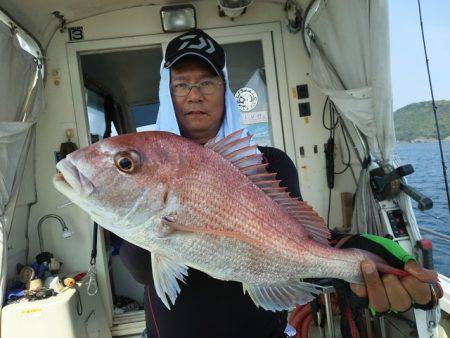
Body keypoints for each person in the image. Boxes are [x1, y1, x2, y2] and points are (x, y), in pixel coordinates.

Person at [120, 29, 438, 338]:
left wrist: (353, 258)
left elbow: (295, 245)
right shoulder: (142, 174)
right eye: (181, 84)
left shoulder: (270, 163)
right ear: (167, 93)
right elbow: (143, 271)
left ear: (225, 90)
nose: (195, 94)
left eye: (207, 81)